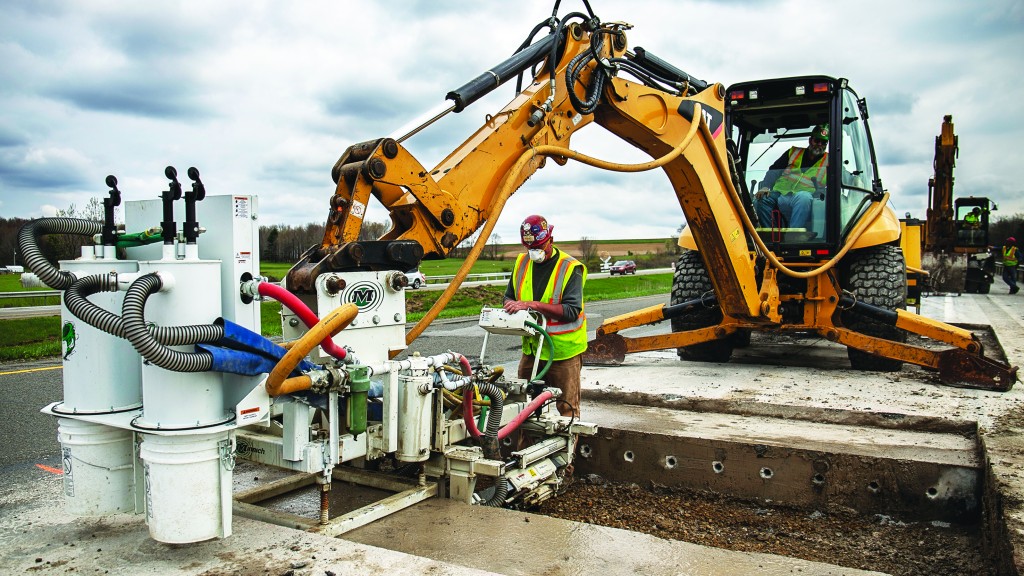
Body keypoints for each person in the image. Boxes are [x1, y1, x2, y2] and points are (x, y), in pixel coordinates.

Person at [503, 214, 587, 418]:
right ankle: (524, 448)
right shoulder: (522, 262)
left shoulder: (570, 267)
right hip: (532, 350)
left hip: (562, 352)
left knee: (567, 409)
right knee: (523, 406)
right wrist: (510, 306)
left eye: (539, 247)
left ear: (551, 239)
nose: (534, 252)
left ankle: (568, 450)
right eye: (530, 248)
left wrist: (533, 305)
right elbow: (508, 297)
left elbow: (571, 311)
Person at [755, 124, 829, 230]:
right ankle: (770, 234)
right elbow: (774, 170)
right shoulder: (793, 152)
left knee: (804, 197)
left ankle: (794, 234)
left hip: (805, 197)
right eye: (817, 141)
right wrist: (765, 186)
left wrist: (856, 181)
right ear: (810, 140)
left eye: (824, 142)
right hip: (780, 194)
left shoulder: (830, 161)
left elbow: (843, 178)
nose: (819, 145)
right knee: (760, 199)